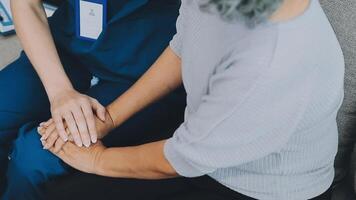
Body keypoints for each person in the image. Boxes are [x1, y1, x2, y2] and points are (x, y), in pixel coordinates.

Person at [39, 0, 345, 199]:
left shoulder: (270, 62)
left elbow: (182, 156)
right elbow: (185, 43)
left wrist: (97, 159)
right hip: (206, 150)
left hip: (263, 188)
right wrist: (112, 117)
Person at [0, 0, 185, 200]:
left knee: (36, 157)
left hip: (147, 69)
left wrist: (111, 117)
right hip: (68, 43)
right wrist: (60, 91)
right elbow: (26, 3)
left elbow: (194, 40)